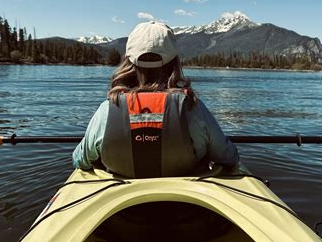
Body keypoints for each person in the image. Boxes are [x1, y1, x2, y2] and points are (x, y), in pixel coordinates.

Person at [72, 21, 239, 178]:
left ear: (128, 62)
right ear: (174, 63)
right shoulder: (192, 108)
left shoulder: (108, 109)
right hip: (182, 199)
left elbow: (80, 160)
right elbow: (227, 156)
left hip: (124, 199)